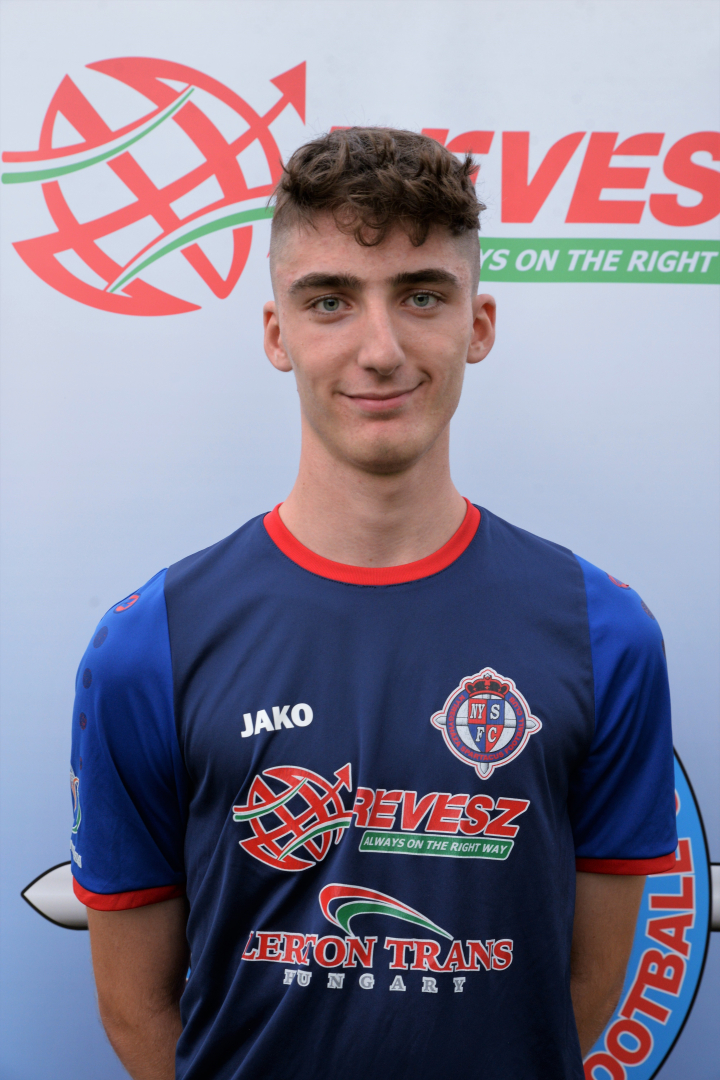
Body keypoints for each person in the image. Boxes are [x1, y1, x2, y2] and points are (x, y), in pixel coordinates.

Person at [69, 128, 677, 1080]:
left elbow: (586, 987)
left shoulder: (607, 636)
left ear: (479, 324)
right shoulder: (151, 643)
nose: (381, 350)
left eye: (422, 296)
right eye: (330, 301)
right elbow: (136, 1009)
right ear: (278, 333)